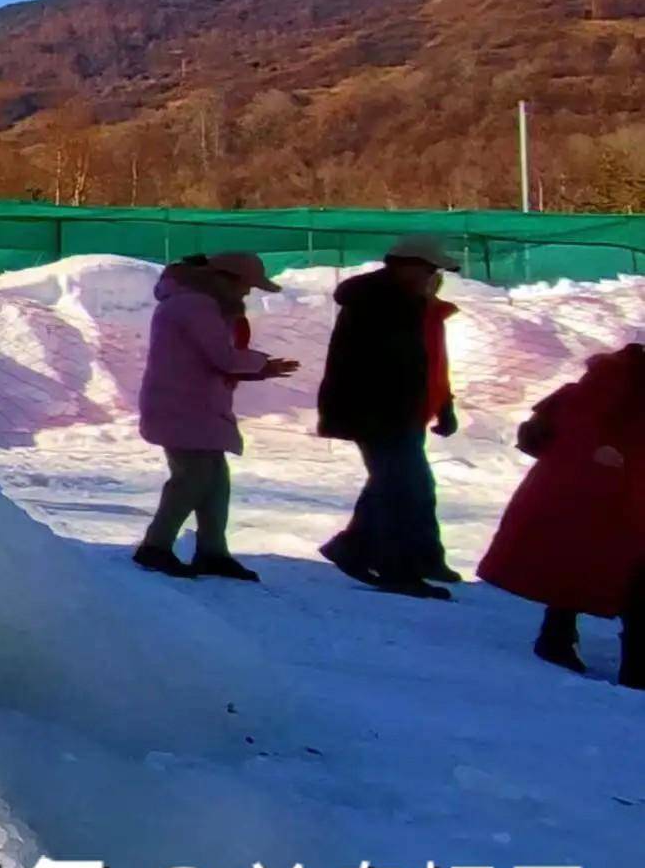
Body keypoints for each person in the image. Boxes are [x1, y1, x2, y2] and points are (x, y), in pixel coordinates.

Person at [478, 345, 645, 686]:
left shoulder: (593, 386)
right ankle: (636, 670)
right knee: (632, 577)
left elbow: (543, 431)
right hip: (613, 500)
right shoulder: (627, 390)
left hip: (583, 497)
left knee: (576, 565)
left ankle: (557, 639)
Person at [134, 252, 301, 579]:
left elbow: (209, 359)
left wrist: (259, 368)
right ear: (225, 279)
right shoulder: (196, 305)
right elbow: (222, 356)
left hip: (194, 406)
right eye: (246, 286)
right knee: (192, 479)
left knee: (214, 482)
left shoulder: (192, 302)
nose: (247, 294)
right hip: (183, 406)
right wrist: (259, 364)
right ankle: (155, 546)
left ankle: (212, 551)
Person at [316, 235, 464, 599]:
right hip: (377, 413)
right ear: (406, 265)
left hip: (399, 412)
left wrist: (442, 404)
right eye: (430, 269)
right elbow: (382, 368)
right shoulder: (380, 304)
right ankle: (398, 568)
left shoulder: (410, 304)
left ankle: (360, 548)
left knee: (400, 485)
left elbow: (428, 366)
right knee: (402, 489)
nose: (435, 277)